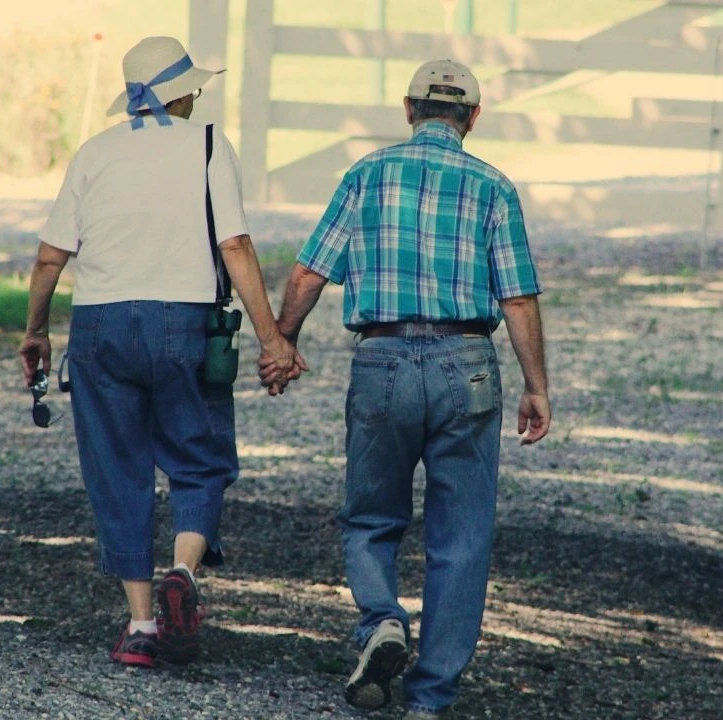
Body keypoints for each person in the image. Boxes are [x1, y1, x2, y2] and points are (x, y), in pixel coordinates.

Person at [263, 59, 551, 719]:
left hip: (383, 358)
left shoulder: (366, 175)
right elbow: (518, 297)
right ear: (473, 118)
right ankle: (430, 698)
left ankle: (382, 621)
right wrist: (537, 385)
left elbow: (310, 274)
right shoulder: (493, 187)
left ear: (408, 109)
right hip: (467, 362)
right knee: (462, 534)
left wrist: (283, 342)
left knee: (370, 515)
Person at [20, 36, 301, 669]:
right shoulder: (206, 144)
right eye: (194, 87)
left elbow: (49, 257)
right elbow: (235, 246)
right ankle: (184, 570)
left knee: (117, 471)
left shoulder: (93, 153)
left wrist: (36, 330)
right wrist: (272, 339)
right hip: (184, 320)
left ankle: (143, 624)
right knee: (198, 459)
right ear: (180, 93)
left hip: (101, 326)